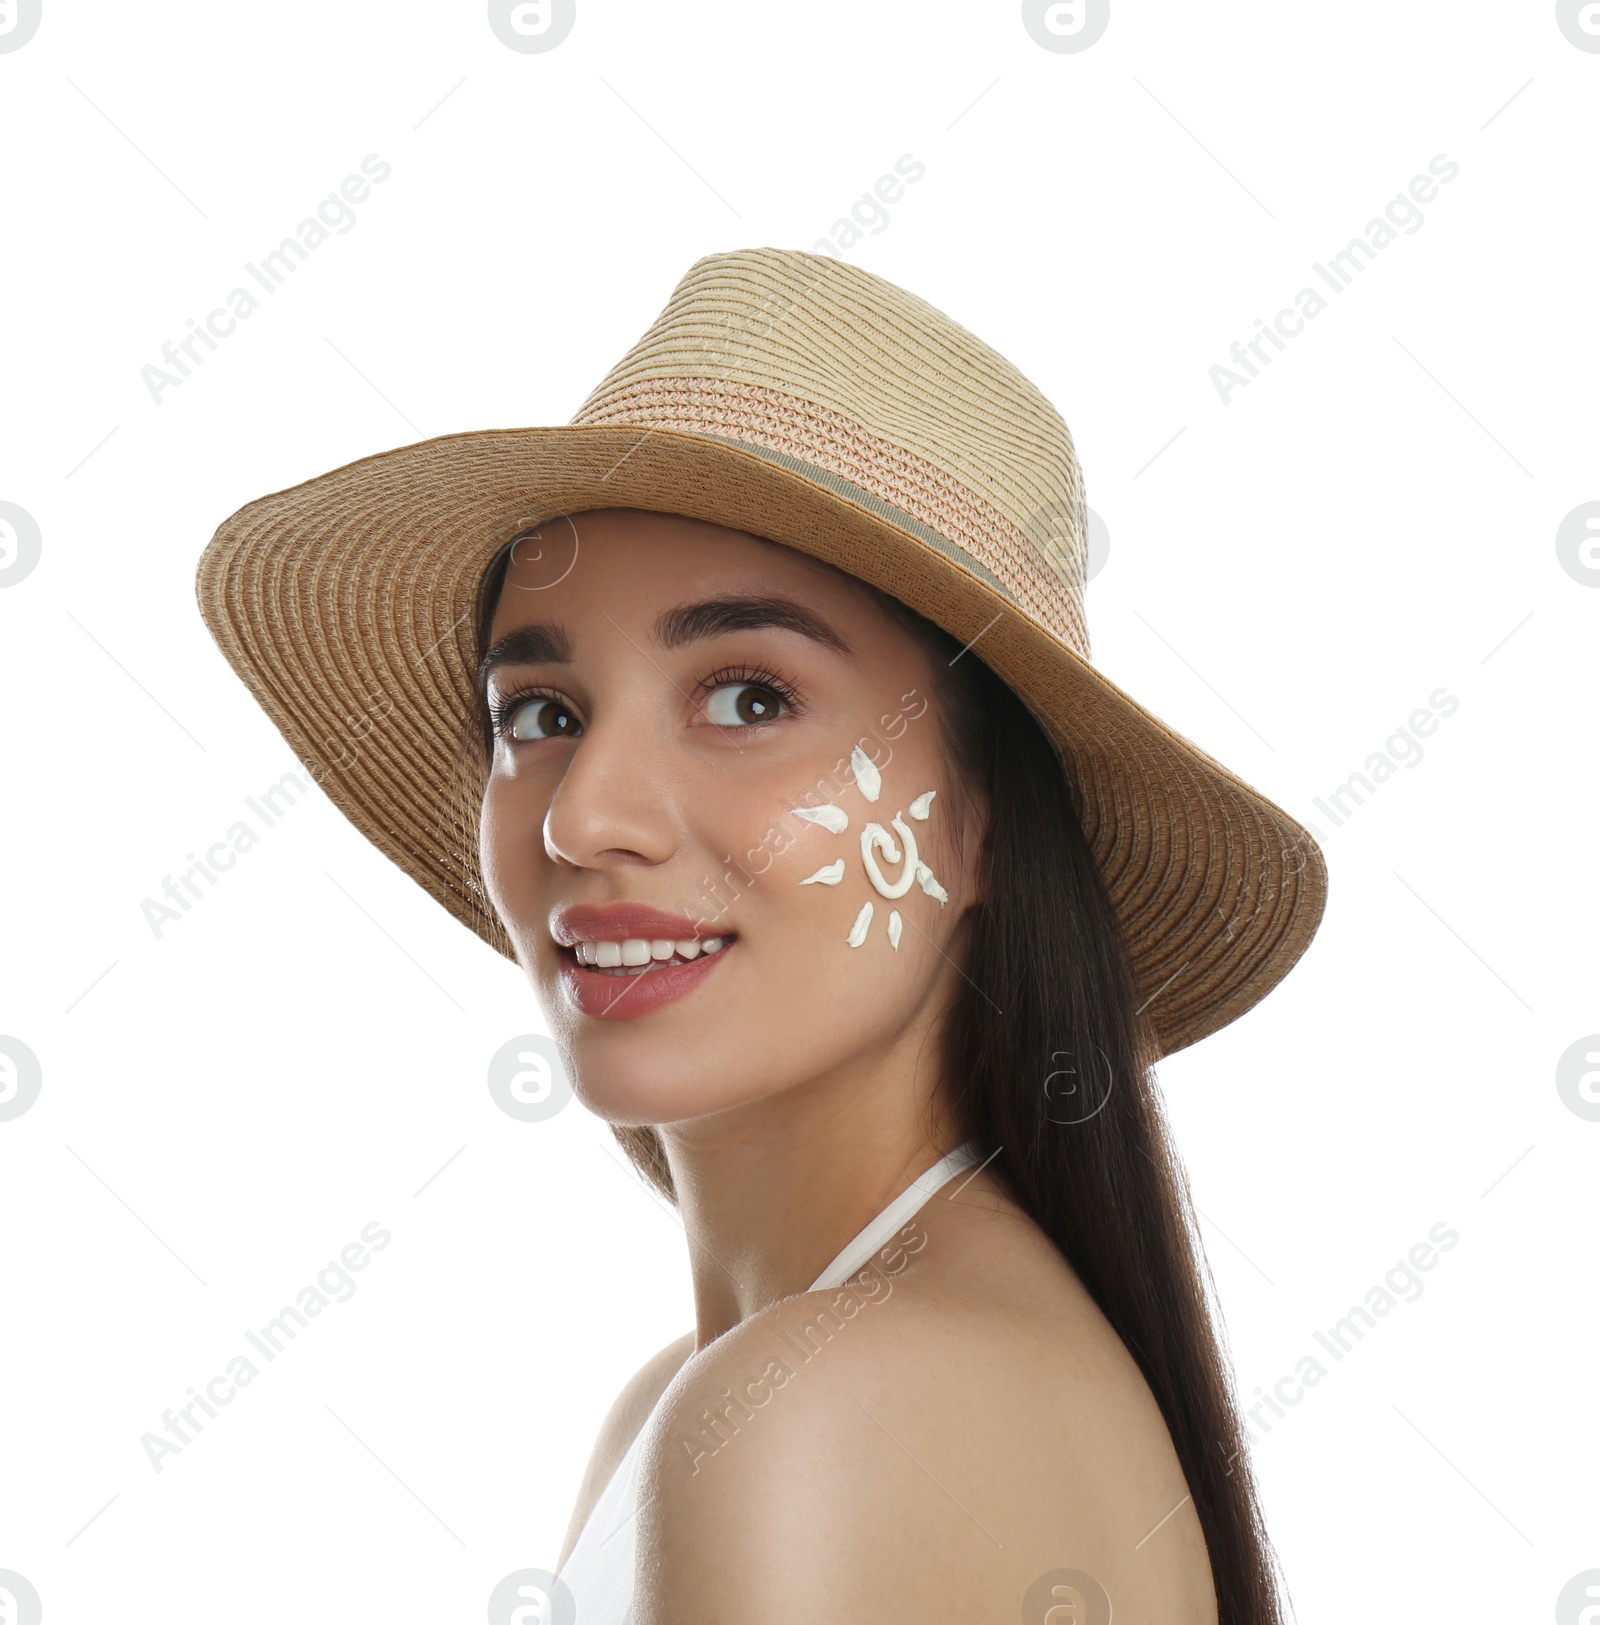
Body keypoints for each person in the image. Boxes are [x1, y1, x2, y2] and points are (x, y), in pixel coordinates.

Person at [197, 248, 1326, 1624]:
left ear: (980, 820)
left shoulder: (805, 1423)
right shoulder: (722, 1402)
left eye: (745, 697)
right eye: (541, 713)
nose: (587, 818)